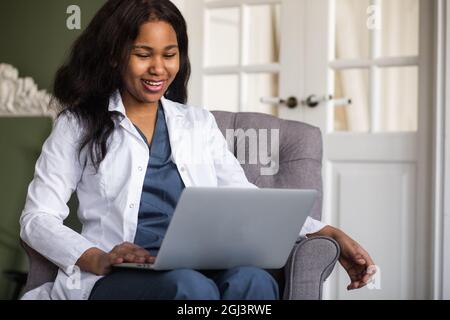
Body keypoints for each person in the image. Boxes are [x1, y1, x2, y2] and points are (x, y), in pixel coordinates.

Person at [20, 0, 376, 300]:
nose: (158, 68)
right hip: (118, 275)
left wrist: (325, 230)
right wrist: (96, 257)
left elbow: (244, 198)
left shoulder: (198, 123)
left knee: (253, 281)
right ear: (114, 56)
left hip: (200, 265)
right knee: (190, 289)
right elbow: (37, 218)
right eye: (143, 54)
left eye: (169, 54)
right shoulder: (78, 124)